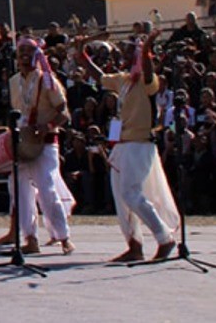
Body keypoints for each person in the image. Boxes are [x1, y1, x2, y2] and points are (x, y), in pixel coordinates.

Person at [77, 30, 180, 262]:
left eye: (128, 51)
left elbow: (147, 66)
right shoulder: (122, 80)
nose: (122, 55)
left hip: (139, 144)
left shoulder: (146, 81)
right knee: (121, 198)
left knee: (131, 194)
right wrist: (82, 50)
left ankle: (165, 238)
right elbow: (97, 74)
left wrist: (146, 50)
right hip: (122, 145)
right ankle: (134, 245)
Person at [0, 41, 75, 255]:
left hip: (45, 142)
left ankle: (63, 237)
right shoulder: (14, 81)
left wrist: (47, 126)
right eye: (21, 51)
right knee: (19, 192)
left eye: (29, 51)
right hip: (22, 144)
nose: (23, 55)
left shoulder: (48, 80)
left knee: (47, 189)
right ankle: (30, 239)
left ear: (37, 55)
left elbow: (64, 113)